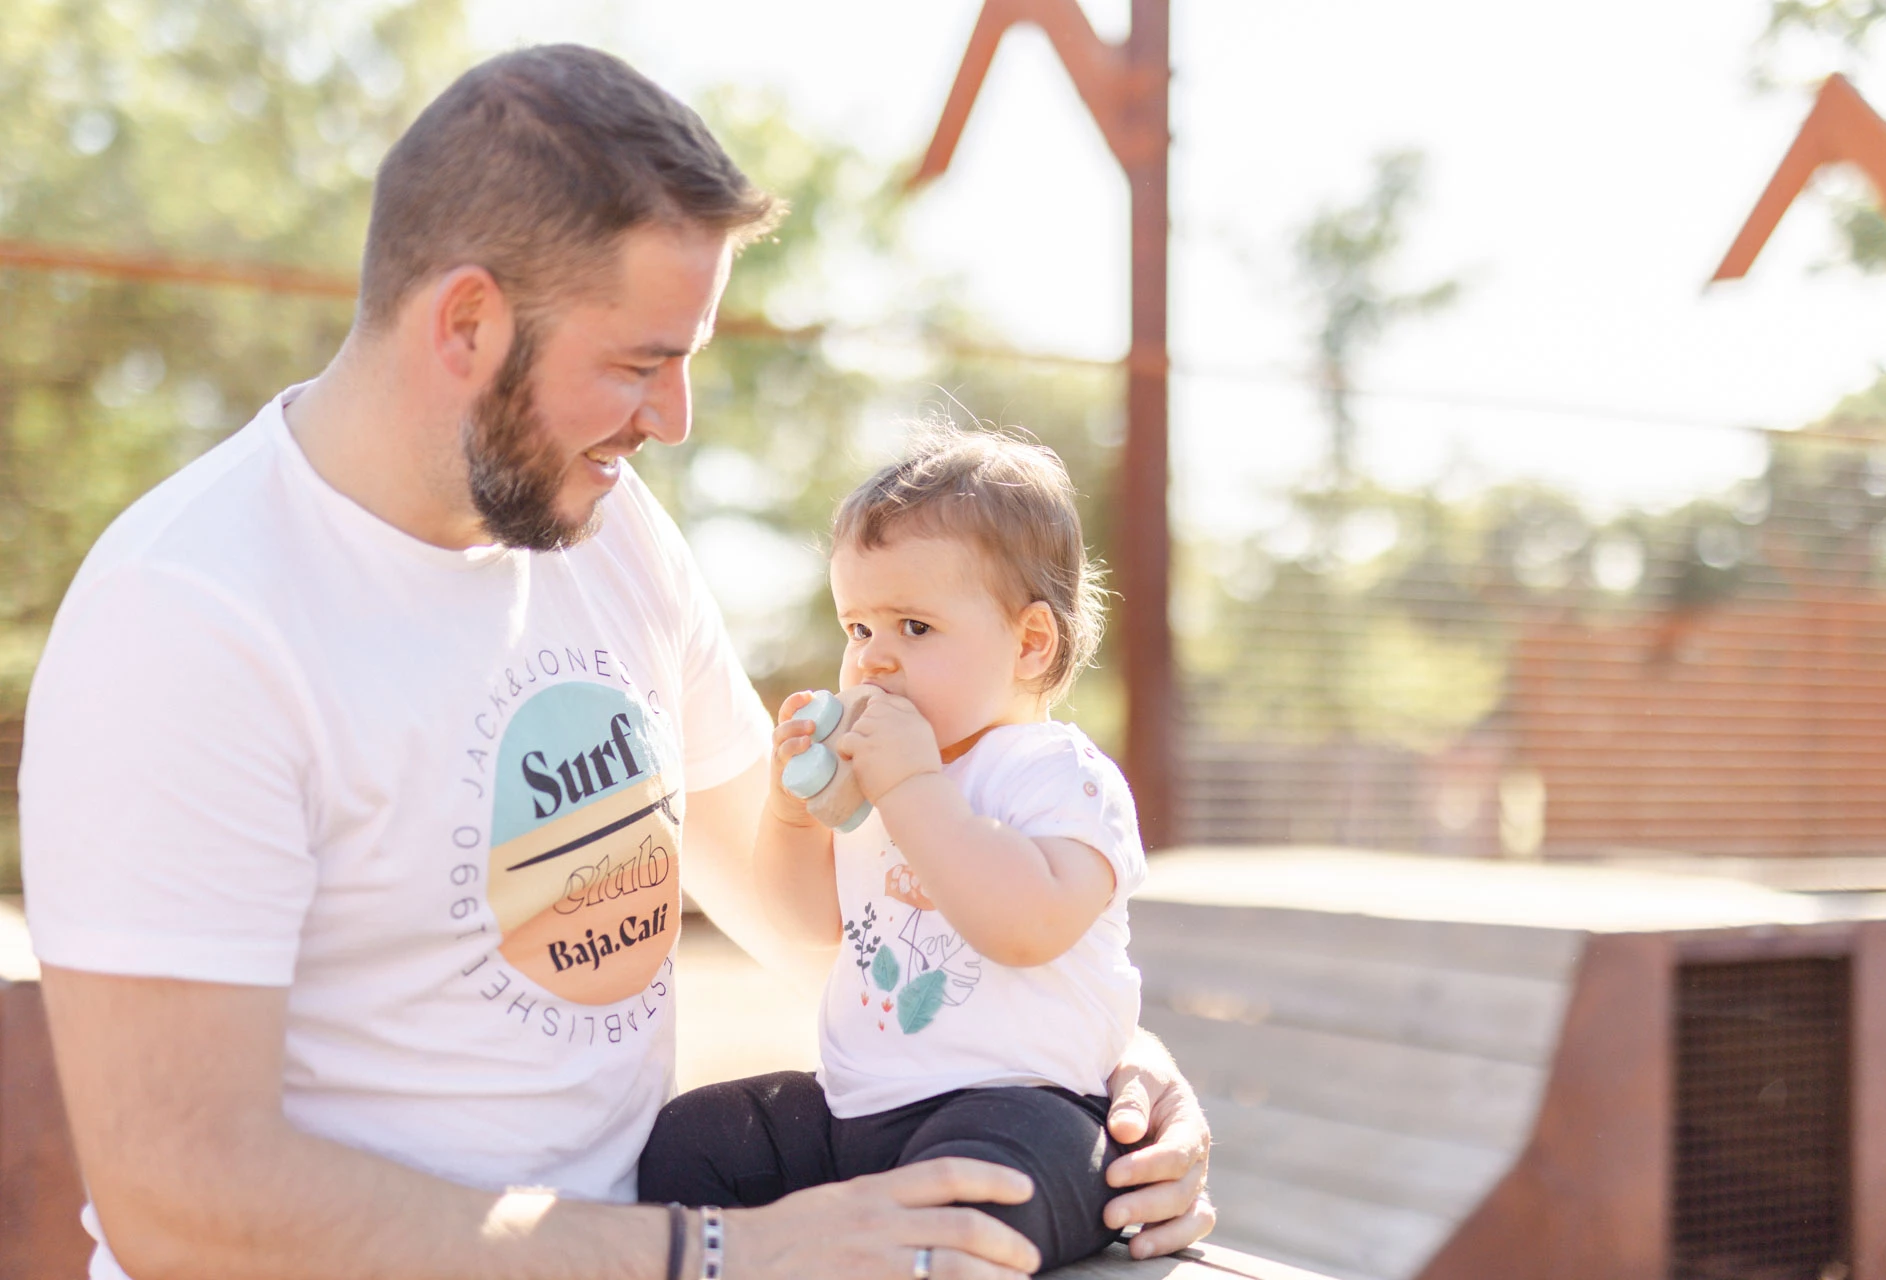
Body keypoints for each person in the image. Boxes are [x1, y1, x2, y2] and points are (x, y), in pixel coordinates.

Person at [18, 43, 1213, 1280]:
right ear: (467, 322)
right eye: (641, 364)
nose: (674, 419)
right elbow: (183, 1198)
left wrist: (1092, 1076)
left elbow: (822, 909)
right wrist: (718, 1250)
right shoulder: (189, 615)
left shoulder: (608, 530)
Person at [636, 430, 1148, 1274]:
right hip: (857, 1115)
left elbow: (1025, 926)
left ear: (1030, 643)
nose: (873, 659)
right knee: (696, 1140)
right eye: (858, 626)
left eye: (914, 626)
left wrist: (911, 786)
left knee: (977, 1190)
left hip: (1023, 1113)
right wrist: (793, 812)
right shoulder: (883, 774)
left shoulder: (1060, 776)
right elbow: (806, 921)